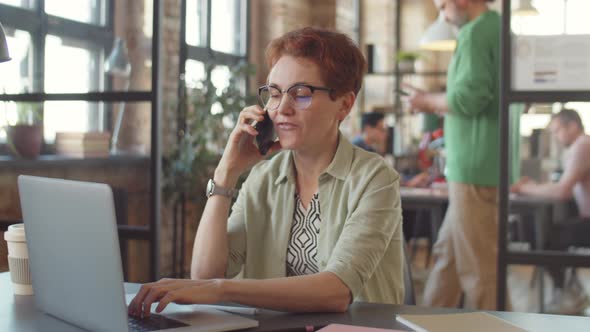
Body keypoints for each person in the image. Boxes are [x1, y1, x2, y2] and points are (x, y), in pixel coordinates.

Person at [128, 27, 404, 317]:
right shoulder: (263, 179)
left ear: (344, 105)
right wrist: (227, 171)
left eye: (301, 94)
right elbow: (206, 272)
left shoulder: (375, 179)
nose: (281, 108)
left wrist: (223, 289)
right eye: (274, 94)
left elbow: (337, 292)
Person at [402, 0, 509, 310]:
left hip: (473, 168)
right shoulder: (499, 28)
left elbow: (468, 99)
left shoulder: (475, 33)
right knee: (447, 258)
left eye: (442, 5)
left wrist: (425, 100)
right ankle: (428, 324)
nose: (442, 13)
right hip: (482, 165)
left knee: (480, 269)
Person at [512, 109, 590, 314]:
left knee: (548, 239)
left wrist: (524, 188)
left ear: (572, 126)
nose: (555, 137)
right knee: (551, 233)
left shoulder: (583, 145)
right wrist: (534, 187)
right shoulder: (579, 146)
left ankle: (566, 293)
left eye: (557, 131)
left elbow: (562, 191)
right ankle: (569, 290)